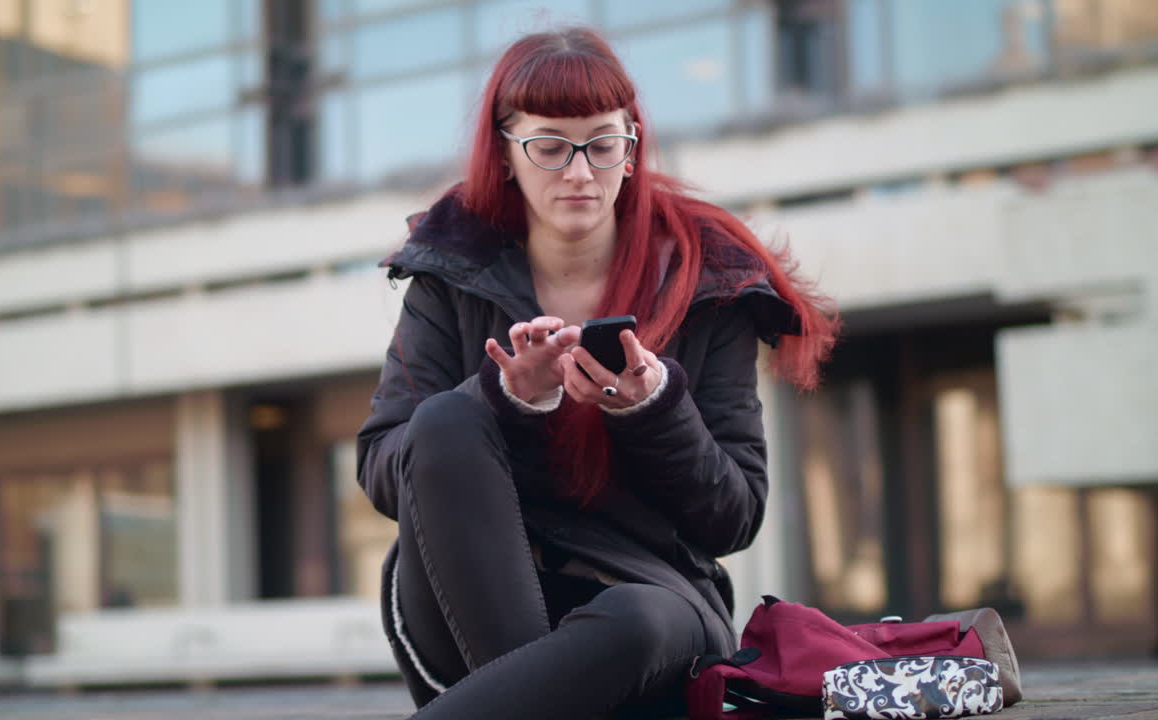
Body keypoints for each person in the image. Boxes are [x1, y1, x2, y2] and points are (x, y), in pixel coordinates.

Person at [356, 26, 837, 720]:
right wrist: (506, 398)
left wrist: (653, 407)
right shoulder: (451, 271)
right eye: (550, 148)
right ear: (506, 152)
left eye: (602, 145)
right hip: (467, 610)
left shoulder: (706, 279)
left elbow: (735, 516)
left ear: (632, 146)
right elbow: (382, 463)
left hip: (651, 609)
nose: (580, 174)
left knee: (637, 619)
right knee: (448, 417)